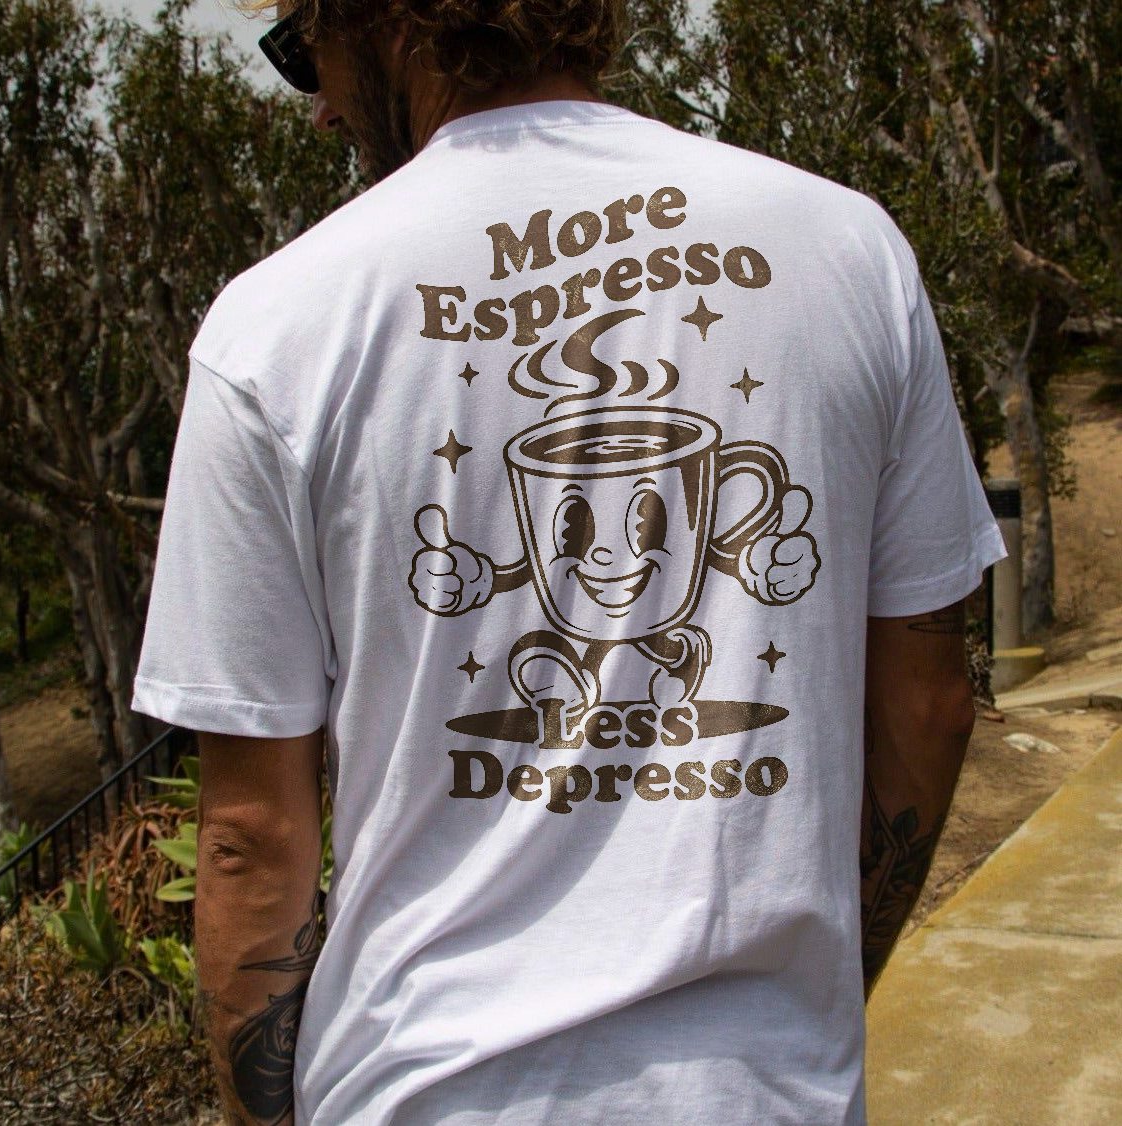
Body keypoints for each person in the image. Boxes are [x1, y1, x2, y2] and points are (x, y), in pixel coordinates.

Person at [130, 0, 1009, 1122]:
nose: (319, 108)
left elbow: (253, 839)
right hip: (765, 1091)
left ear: (381, 19)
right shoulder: (848, 249)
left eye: (302, 48)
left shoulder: (274, 328)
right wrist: (807, 1001)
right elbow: (930, 705)